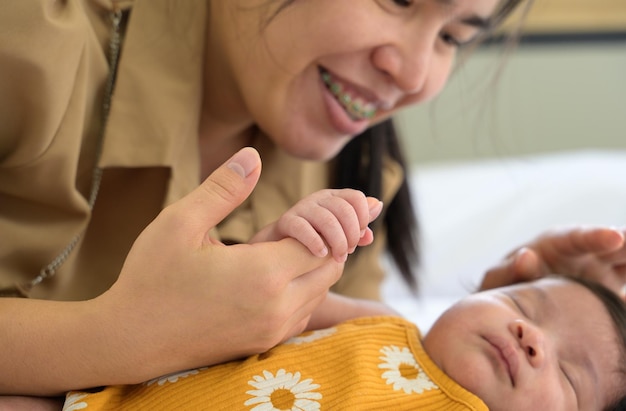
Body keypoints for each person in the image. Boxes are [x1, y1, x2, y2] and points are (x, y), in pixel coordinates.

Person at [1, 0, 626, 404]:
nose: (413, 75)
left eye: (453, 36)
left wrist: (469, 341)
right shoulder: (28, 46)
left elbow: (351, 382)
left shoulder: (349, 182)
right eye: (397, 1)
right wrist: (119, 336)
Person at [60, 275, 626, 410]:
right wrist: (306, 238)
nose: (532, 338)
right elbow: (268, 295)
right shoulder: (379, 321)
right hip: (104, 396)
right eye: (522, 303)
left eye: (572, 375)